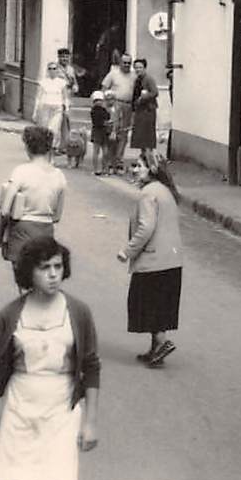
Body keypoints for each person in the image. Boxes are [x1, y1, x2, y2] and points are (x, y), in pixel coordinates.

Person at [0, 237, 101, 480]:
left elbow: (90, 367)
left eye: (58, 266)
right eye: (44, 268)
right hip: (20, 409)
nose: (53, 274)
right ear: (29, 272)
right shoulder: (10, 314)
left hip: (62, 411)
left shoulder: (78, 312)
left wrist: (90, 422)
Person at [116, 151, 183, 367]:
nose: (134, 170)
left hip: (152, 259)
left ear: (151, 169)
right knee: (161, 304)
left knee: (148, 303)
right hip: (171, 258)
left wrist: (127, 251)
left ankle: (161, 343)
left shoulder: (147, 194)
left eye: (139, 166)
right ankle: (155, 349)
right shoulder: (166, 191)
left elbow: (146, 227)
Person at [0, 125, 66, 281]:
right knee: (41, 278)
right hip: (46, 230)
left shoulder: (21, 171)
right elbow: (57, 216)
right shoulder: (59, 176)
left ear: (27, 147)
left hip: (22, 230)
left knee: (23, 279)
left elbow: (5, 209)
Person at [103, 55, 134, 172]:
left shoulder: (133, 76)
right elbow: (104, 88)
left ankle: (119, 159)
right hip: (115, 104)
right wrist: (106, 104)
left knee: (124, 133)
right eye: (124, 62)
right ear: (120, 63)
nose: (126, 65)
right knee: (113, 132)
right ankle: (111, 160)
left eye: (128, 63)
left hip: (128, 105)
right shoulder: (113, 74)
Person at [129, 57, 159, 156]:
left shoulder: (149, 79)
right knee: (140, 136)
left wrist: (144, 98)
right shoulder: (137, 80)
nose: (138, 70)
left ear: (144, 68)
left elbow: (155, 92)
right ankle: (143, 155)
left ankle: (149, 157)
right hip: (140, 110)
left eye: (140, 67)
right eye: (136, 68)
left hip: (148, 110)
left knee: (148, 136)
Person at [33, 61, 70, 138]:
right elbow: (38, 97)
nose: (52, 71)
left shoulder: (62, 82)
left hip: (57, 108)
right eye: (50, 69)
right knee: (45, 127)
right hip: (45, 107)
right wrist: (35, 111)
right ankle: (45, 145)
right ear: (47, 70)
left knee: (54, 128)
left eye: (54, 68)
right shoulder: (43, 82)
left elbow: (65, 97)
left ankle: (53, 145)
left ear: (57, 70)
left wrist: (66, 108)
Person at [88, 93, 111, 177]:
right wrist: (106, 123)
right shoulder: (97, 110)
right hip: (100, 131)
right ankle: (100, 169)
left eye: (100, 101)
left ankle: (101, 169)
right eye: (97, 101)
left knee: (103, 151)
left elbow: (106, 118)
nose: (99, 102)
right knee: (99, 150)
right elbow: (102, 120)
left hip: (101, 131)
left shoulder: (100, 110)